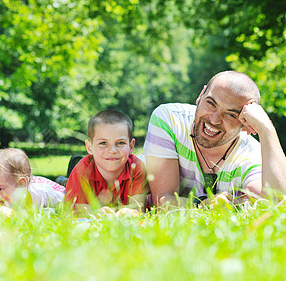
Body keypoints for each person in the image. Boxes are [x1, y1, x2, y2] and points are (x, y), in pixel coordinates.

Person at [143, 70, 286, 207]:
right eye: (211, 103)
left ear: (245, 123)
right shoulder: (170, 119)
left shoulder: (251, 155)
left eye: (230, 114)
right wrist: (204, 206)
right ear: (201, 96)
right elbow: (162, 201)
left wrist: (266, 128)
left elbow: (277, 203)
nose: (214, 119)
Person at [64, 110, 148, 212]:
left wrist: (127, 212)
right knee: (63, 189)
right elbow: (73, 209)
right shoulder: (81, 171)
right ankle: (63, 180)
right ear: (89, 147)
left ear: (131, 146)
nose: (112, 151)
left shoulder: (136, 167)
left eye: (120, 143)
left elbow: (137, 208)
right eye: (103, 143)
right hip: (81, 174)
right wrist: (96, 212)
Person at [0, 148, 65, 208]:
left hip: (55, 189)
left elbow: (68, 205)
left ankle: (63, 181)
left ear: (21, 184)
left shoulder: (42, 194)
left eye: (0, 189)